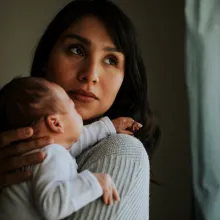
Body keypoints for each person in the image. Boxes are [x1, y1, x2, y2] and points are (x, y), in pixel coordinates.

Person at [0, 0, 160, 219]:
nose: (90, 75)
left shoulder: (122, 150)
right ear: (47, 59)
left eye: (111, 60)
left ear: (125, 79)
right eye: (77, 50)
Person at [0, 76, 141, 220]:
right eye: (73, 107)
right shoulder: (50, 155)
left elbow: (78, 140)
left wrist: (109, 126)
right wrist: (94, 182)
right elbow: (52, 206)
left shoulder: (43, 153)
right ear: (56, 123)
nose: (77, 111)